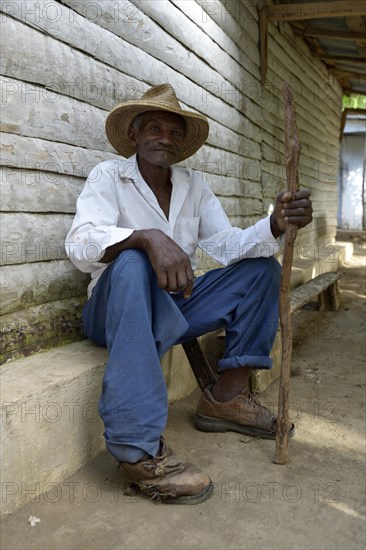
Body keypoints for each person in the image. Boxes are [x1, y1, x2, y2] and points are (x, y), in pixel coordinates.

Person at [66, 83, 312, 504]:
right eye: (155, 128)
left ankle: (225, 399)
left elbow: (227, 246)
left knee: (260, 271)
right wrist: (144, 238)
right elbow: (80, 247)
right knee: (131, 261)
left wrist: (276, 223)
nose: (165, 138)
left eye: (174, 132)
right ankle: (137, 449)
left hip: (176, 305)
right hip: (115, 311)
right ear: (134, 136)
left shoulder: (193, 186)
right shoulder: (109, 176)